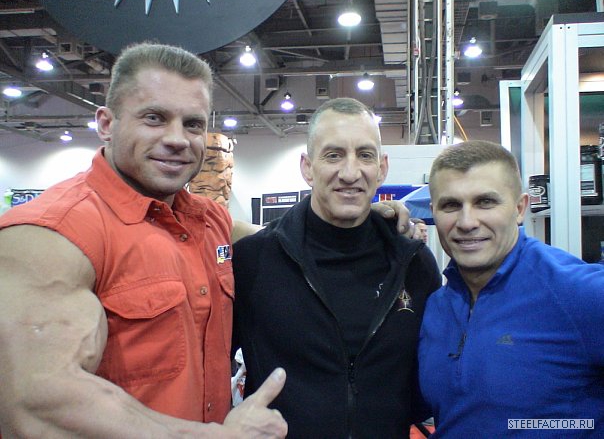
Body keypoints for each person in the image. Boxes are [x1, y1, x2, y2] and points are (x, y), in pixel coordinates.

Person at [0, 42, 289, 438]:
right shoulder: (51, 234)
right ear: (106, 124)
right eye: (154, 118)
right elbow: (37, 403)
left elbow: (283, 238)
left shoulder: (209, 220)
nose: (177, 139)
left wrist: (361, 219)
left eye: (193, 124)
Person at [232, 98, 442, 438]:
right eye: (333, 155)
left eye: (365, 155)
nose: (350, 173)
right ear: (307, 167)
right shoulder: (253, 261)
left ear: (382, 168)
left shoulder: (415, 265)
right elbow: (207, 369)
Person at [419, 140, 604, 437]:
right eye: (451, 205)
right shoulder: (436, 307)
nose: (467, 222)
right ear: (433, 212)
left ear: (519, 208)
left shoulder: (578, 293)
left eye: (485, 202)